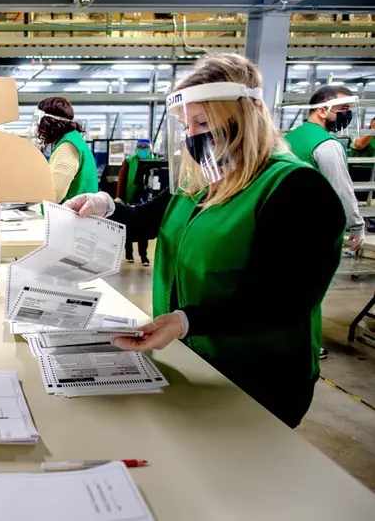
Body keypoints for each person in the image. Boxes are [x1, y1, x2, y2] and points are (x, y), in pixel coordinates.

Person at [66, 53, 345, 428]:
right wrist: (104, 206)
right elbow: (148, 220)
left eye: (202, 122)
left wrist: (185, 321)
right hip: (194, 359)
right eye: (186, 125)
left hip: (259, 378)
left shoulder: (297, 189)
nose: (193, 136)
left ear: (246, 115)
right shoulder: (199, 184)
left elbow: (284, 301)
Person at [285, 86, 365, 251]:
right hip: (313, 227)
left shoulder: (289, 137)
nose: (347, 114)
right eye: (343, 109)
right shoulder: (327, 144)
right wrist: (356, 226)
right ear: (322, 111)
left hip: (283, 221)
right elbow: (341, 189)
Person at [34, 97, 98, 203]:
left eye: (40, 122)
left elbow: (54, 195)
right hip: (78, 214)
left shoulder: (67, 146)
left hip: (73, 216)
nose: (39, 128)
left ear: (48, 123)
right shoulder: (73, 139)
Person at [116, 139, 152, 266]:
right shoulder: (129, 161)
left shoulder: (154, 160)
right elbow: (122, 179)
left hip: (146, 200)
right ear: (136, 149)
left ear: (150, 148)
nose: (143, 149)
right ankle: (129, 254)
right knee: (128, 228)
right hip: (128, 198)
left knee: (144, 230)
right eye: (140, 147)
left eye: (145, 147)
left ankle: (144, 256)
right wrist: (119, 197)